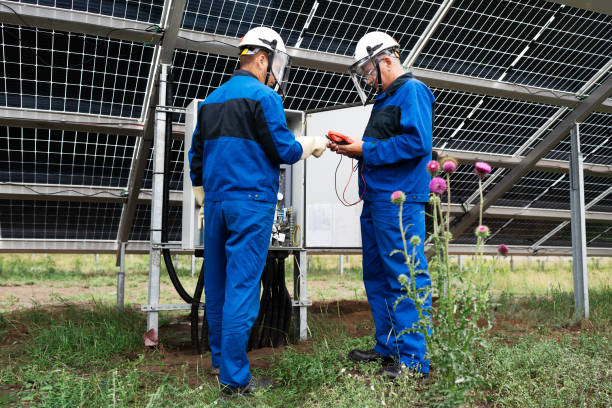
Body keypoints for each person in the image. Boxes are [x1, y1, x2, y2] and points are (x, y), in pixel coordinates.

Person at [188, 26, 328, 396]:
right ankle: (235, 381)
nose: (276, 72)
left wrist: (205, 199)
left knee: (216, 287)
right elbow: (284, 150)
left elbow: (196, 159)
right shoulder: (264, 97)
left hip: (215, 205)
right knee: (243, 289)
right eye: (276, 63)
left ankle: (221, 363)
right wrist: (312, 142)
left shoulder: (211, 100)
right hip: (250, 205)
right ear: (262, 59)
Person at [329, 31, 435, 378]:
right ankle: (389, 347)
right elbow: (385, 143)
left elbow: (417, 143)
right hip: (376, 199)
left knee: (404, 276)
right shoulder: (385, 99)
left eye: (369, 71)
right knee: (377, 274)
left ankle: (415, 360)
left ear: (387, 59)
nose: (368, 79)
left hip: (399, 201)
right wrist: (356, 146)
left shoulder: (412, 92)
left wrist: (364, 149)